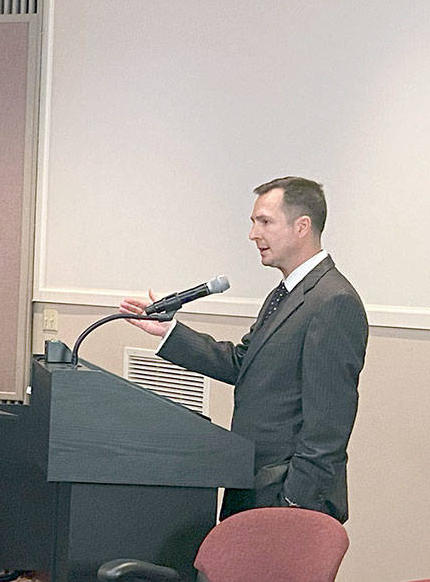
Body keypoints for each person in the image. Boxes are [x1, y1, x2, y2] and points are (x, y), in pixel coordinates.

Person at [120, 177, 367, 522]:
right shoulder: (286, 293)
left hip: (288, 500)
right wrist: (169, 331)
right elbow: (243, 363)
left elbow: (328, 426)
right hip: (252, 484)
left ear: (302, 227)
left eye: (264, 222)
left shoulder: (334, 301)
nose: (253, 234)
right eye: (253, 223)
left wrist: (294, 501)